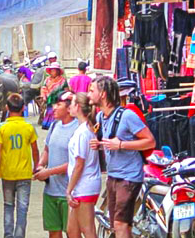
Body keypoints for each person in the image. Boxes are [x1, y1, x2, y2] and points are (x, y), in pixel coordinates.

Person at [88, 76, 156, 238]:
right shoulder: (100, 117)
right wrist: (100, 145)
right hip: (113, 177)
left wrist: (121, 145)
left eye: (92, 91)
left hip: (129, 177)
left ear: (103, 94)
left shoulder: (127, 116)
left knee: (121, 224)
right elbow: (110, 141)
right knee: (117, 224)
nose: (89, 94)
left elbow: (150, 141)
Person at [33, 91, 81, 238]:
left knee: (72, 232)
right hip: (51, 190)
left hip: (69, 192)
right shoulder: (54, 126)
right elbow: (47, 149)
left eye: (58, 104)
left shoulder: (78, 129)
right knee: (53, 232)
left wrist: (48, 172)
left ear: (69, 109)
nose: (54, 108)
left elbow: (76, 163)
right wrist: (40, 165)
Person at [0, 94, 39, 238]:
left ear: (7, 108)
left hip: (7, 174)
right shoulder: (28, 127)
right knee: (22, 208)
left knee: (8, 206)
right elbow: (35, 149)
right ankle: (19, 235)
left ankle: (8, 235)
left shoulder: (1, 127)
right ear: (23, 108)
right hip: (25, 173)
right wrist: (36, 166)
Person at [64, 92, 102, 238]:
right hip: (84, 185)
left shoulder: (83, 132)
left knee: (88, 229)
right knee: (72, 230)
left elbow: (79, 164)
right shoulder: (86, 129)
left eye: (72, 104)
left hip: (84, 185)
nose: (69, 107)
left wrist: (69, 189)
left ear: (78, 107)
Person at [40, 62, 67, 129]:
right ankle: (47, 124)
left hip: (59, 100)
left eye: (54, 70)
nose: (53, 72)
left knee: (57, 112)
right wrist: (44, 95)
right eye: (51, 70)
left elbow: (66, 90)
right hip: (49, 99)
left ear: (58, 71)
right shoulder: (47, 80)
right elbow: (43, 88)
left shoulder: (63, 80)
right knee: (50, 111)